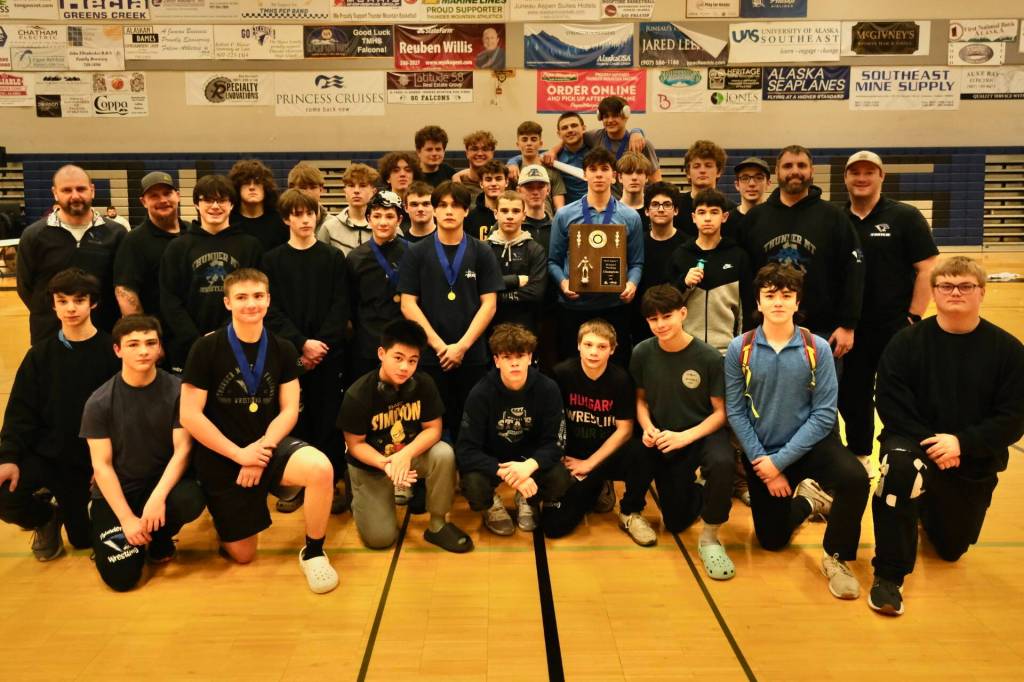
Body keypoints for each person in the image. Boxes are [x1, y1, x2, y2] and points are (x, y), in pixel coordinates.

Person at [869, 256, 1024, 617]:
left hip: (971, 454)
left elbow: (1014, 418)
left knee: (952, 549)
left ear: (981, 292)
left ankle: (926, 506)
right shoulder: (906, 343)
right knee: (899, 471)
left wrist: (961, 443)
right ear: (934, 292)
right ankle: (889, 576)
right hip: (915, 443)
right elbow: (890, 403)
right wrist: (935, 443)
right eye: (946, 286)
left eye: (965, 285)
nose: (955, 292)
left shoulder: (1008, 351)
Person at [179, 268, 339, 594]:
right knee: (243, 555)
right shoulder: (205, 348)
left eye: (257, 296)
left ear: (268, 300)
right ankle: (222, 515)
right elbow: (190, 415)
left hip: (267, 446)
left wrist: (262, 450)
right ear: (227, 303)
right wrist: (240, 455)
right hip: (223, 453)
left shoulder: (283, 348)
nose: (250, 304)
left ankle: (314, 552)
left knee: (321, 469)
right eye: (241, 297)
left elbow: (290, 409)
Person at [725, 263, 869, 599]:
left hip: (811, 445)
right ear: (758, 303)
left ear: (797, 302)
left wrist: (779, 464)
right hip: (763, 450)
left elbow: (824, 414)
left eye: (786, 295)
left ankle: (836, 557)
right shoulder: (739, 348)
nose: (778, 302)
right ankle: (808, 502)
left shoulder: (817, 347)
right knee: (772, 541)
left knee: (855, 478)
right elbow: (736, 411)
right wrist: (764, 461)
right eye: (770, 295)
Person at [0, 269, 120, 561]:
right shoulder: (40, 356)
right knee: (3, 493)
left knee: (82, 540)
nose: (70, 308)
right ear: (53, 305)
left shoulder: (111, 352)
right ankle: (46, 517)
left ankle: (70, 508)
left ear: (93, 303)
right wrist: (8, 458)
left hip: (91, 463)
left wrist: (108, 464)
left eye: (79, 300)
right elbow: (20, 413)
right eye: (62, 301)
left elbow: (123, 415)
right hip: (49, 458)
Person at [82, 315, 205, 591]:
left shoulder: (179, 390)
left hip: (160, 487)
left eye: (151, 343)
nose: (143, 351)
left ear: (160, 348)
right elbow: (102, 467)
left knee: (190, 499)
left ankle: (158, 537)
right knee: (122, 579)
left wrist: (157, 499)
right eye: (133, 344)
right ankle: (108, 524)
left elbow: (183, 450)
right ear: (117, 350)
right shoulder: (99, 402)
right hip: (119, 494)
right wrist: (126, 519)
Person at [838, 151, 938, 471]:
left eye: (869, 172)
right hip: (851, 327)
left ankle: (901, 455)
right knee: (852, 395)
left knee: (899, 394)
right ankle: (860, 455)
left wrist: (914, 317)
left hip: (894, 326)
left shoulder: (905, 216)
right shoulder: (836, 218)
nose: (862, 178)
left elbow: (927, 268)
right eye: (855, 172)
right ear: (845, 178)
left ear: (882, 176)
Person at [631, 285, 737, 578]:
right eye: (653, 319)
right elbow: (640, 400)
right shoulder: (642, 352)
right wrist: (648, 427)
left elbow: (721, 414)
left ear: (683, 313)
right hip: (666, 436)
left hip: (702, 432)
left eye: (667, 316)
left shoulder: (709, 357)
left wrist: (686, 437)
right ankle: (700, 487)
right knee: (676, 522)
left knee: (722, 462)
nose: (661, 324)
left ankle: (711, 537)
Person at [340, 319, 472, 553]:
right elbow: (355, 444)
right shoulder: (358, 394)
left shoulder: (423, 383)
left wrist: (405, 455)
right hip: (372, 464)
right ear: (382, 354)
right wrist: (386, 463)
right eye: (398, 358)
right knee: (380, 539)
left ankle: (438, 525)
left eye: (412, 361)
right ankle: (358, 491)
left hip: (407, 457)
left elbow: (434, 429)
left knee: (444, 453)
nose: (405, 367)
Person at [261, 188, 351, 514]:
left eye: (309, 213)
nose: (305, 220)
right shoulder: (271, 260)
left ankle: (332, 481)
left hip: (327, 355)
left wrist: (319, 346)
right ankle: (295, 484)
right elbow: (271, 311)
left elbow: (341, 305)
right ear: (286, 219)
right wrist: (301, 343)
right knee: (294, 419)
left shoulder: (333, 258)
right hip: (290, 355)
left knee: (328, 419)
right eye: (297, 214)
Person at [738, 145, 865, 362]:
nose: (795, 171)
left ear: (811, 171)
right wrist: (748, 326)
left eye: (801, 166)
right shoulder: (755, 218)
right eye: (788, 166)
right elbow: (743, 277)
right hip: (765, 331)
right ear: (777, 172)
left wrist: (848, 325)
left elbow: (854, 271)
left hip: (823, 333)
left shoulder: (834, 217)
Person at [398, 181, 503, 438]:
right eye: (442, 205)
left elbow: (489, 304)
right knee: (429, 427)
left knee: (471, 426)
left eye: (455, 206)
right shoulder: (416, 252)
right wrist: (440, 347)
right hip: (431, 356)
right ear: (434, 210)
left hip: (471, 354)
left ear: (466, 211)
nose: (448, 211)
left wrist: (462, 347)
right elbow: (407, 303)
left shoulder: (482, 251)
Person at [544, 320, 658, 544]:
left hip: (606, 456)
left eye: (602, 346)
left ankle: (630, 512)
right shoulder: (562, 373)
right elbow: (552, 422)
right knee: (554, 526)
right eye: (588, 345)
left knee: (643, 449)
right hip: (574, 457)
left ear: (612, 350)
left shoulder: (621, 379)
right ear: (578, 345)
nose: (594, 352)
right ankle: (596, 487)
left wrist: (590, 464)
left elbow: (625, 430)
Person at [456, 324, 571, 535]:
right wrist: (506, 472)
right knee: (473, 483)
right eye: (507, 357)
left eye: (520, 356)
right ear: (496, 361)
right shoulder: (480, 393)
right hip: (495, 461)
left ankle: (527, 498)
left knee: (560, 477)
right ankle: (491, 504)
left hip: (529, 459)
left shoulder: (548, 389)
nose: (515, 363)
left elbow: (557, 443)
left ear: (530, 358)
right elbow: (465, 450)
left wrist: (528, 467)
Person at [547, 148, 644, 365]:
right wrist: (563, 283)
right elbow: (553, 261)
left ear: (614, 176)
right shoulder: (564, 215)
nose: (599, 174)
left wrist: (632, 283)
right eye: (593, 169)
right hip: (574, 307)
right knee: (572, 367)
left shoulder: (630, 217)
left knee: (615, 367)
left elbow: (637, 262)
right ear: (584, 175)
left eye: (604, 169)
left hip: (614, 306)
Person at [159, 174, 262, 371]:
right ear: (197, 205)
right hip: (188, 350)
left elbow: (254, 297)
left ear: (232, 204)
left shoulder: (250, 246)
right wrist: (197, 340)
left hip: (239, 345)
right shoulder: (177, 247)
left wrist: (224, 335)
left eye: (222, 200)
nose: (215, 206)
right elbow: (170, 300)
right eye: (208, 200)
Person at [17, 165, 125, 343]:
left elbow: (121, 285)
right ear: (55, 193)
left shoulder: (116, 233)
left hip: (104, 335)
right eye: (67, 190)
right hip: (48, 336)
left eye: (81, 189)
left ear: (92, 190)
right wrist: (54, 313)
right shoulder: (33, 235)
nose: (75, 196)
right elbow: (25, 288)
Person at [669, 188, 752, 355]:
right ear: (694, 217)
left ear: (724, 217)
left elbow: (747, 308)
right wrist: (683, 283)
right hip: (687, 350)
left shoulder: (738, 256)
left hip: (728, 352)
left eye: (714, 212)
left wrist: (742, 348)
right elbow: (667, 305)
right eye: (702, 212)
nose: (707, 218)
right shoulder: (680, 255)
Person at [348, 190, 411, 381]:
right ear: (368, 219)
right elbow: (351, 305)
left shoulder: (414, 254)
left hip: (404, 341)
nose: (383, 222)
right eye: (377, 216)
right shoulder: (355, 258)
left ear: (400, 219)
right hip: (367, 344)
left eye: (389, 216)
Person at [113, 171, 187, 329]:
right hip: (160, 334)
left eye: (167, 193)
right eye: (154, 196)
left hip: (195, 332)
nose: (163, 200)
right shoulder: (134, 240)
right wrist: (143, 334)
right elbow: (125, 291)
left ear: (178, 195)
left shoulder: (192, 232)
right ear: (143, 202)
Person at [486, 190, 547, 333]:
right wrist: (516, 280)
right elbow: (477, 289)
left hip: (526, 325)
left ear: (524, 215)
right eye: (504, 211)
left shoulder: (535, 249)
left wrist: (495, 295)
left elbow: (536, 293)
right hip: (489, 324)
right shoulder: (483, 249)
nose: (509, 216)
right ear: (496, 214)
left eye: (515, 211)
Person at [633, 181, 685, 343]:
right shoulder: (636, 243)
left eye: (667, 204)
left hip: (676, 323)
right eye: (655, 205)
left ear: (676, 210)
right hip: (641, 322)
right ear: (646, 211)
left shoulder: (687, 245)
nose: (661, 209)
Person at [674, 140, 740, 239]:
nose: (702, 171)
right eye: (696, 166)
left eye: (708, 166)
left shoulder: (731, 210)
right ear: (688, 173)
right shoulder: (675, 206)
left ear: (719, 171)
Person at [505, 121, 566, 215]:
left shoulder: (552, 170)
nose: (529, 143)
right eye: (524, 139)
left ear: (540, 143)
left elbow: (560, 209)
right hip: (520, 221)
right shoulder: (512, 171)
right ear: (518, 144)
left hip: (547, 220)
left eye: (533, 139)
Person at [317, 163, 379, 256]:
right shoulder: (329, 228)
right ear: (345, 191)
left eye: (362, 185)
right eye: (351, 185)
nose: (356, 191)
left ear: (373, 192)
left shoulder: (386, 226)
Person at [228, 158, 287, 252]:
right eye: (246, 183)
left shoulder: (280, 221)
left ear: (266, 187)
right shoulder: (228, 221)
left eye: (257, 183)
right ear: (237, 188)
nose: (252, 187)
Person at [289, 162, 346, 251]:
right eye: (303, 188)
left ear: (321, 189)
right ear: (291, 189)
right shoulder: (282, 224)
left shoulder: (334, 225)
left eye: (313, 187)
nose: (308, 193)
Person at [465, 159, 509, 240]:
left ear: (506, 182)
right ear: (481, 183)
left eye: (498, 179)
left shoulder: (515, 215)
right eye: (488, 179)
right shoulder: (469, 218)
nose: (493, 184)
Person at [451, 130, 497, 200]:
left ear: (492, 153)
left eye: (485, 149)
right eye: (474, 149)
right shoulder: (457, 182)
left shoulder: (502, 182)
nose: (480, 154)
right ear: (467, 153)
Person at [617, 151, 655, 221]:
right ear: (620, 178)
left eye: (639, 172)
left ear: (646, 177)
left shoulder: (655, 211)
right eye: (628, 172)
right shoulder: (611, 212)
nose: (634, 177)